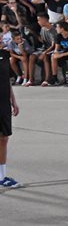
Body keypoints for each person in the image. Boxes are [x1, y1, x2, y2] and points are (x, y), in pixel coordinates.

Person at [0, 47, 20, 188]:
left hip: (3, 103)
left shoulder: (4, 54)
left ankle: (2, 176)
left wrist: (13, 100)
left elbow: (7, 79)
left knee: (4, 138)